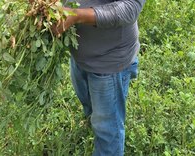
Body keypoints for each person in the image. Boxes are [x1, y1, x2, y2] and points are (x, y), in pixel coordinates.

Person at [52, 0, 146, 155]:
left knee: (108, 131)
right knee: (88, 101)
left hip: (108, 60)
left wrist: (75, 16)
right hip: (80, 53)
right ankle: (93, 121)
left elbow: (130, 7)